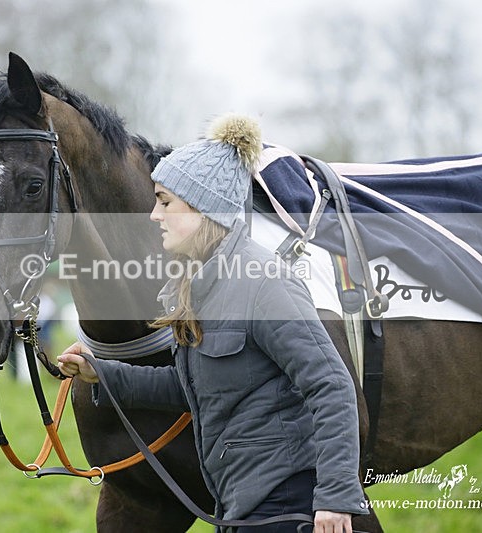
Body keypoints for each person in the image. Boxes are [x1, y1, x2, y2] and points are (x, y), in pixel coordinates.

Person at [57, 115, 369, 532]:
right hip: (239, 502)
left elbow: (331, 385)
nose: (153, 215)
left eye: (165, 202)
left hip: (285, 504)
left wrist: (335, 497)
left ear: (203, 207)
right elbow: (193, 388)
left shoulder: (264, 283)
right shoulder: (196, 285)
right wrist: (102, 375)